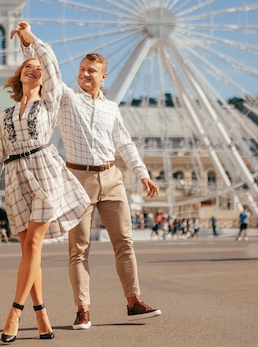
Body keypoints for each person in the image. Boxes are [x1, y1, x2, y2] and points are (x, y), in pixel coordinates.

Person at [20, 39, 161, 329]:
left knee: (125, 243)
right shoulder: (67, 99)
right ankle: (83, 309)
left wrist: (142, 174)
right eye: (82, 69)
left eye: (91, 71)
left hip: (112, 178)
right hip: (78, 179)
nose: (84, 74)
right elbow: (47, 71)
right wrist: (29, 45)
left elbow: (124, 143)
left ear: (102, 76)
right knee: (79, 249)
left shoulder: (112, 109)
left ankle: (134, 301)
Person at [0, 22, 90, 343]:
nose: (34, 70)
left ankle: (14, 313)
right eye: (28, 67)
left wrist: (31, 41)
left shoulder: (49, 102)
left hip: (45, 171)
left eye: (38, 69)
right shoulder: (5, 115)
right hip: (15, 179)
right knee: (27, 250)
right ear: (19, 75)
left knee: (34, 245)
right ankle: (42, 316)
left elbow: (48, 60)